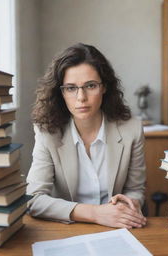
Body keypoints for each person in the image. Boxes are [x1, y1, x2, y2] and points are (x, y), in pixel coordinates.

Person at [27, 43, 147, 229]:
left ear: (104, 87)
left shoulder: (132, 128)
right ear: (61, 93)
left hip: (117, 227)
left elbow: (135, 189)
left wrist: (128, 205)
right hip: (67, 228)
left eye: (90, 86)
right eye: (71, 88)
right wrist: (96, 213)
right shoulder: (47, 132)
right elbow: (34, 199)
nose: (81, 97)